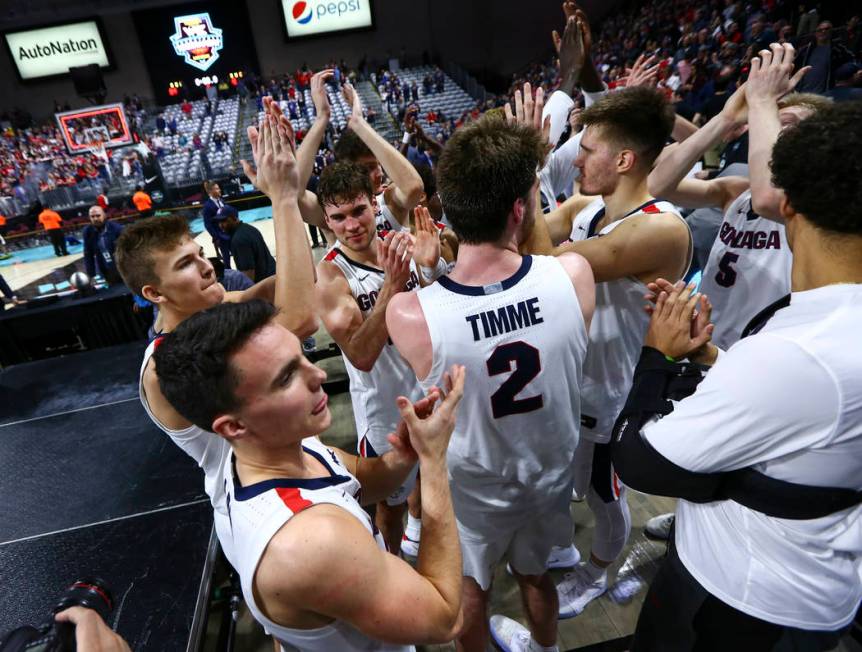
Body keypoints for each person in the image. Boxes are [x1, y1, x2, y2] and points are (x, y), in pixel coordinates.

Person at [611, 99, 862, 651]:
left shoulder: (798, 350)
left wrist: (656, 357)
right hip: (801, 578)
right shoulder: (824, 327)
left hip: (746, 596)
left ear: (790, 197)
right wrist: (711, 362)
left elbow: (638, 460)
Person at [387, 114, 595, 652]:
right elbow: (530, 291)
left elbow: (460, 325)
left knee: (470, 592)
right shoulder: (573, 275)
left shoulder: (410, 312)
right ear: (521, 209)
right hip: (549, 476)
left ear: (448, 210)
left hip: (476, 490)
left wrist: (433, 272)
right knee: (536, 577)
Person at [154, 300, 465, 651]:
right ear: (234, 426)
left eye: (302, 356)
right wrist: (434, 460)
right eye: (287, 377)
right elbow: (445, 618)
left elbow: (361, 476)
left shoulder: (272, 454)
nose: (318, 376)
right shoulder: (311, 541)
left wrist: (405, 456)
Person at [115, 97, 317, 567]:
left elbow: (270, 292)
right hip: (258, 503)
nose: (207, 267)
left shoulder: (211, 310)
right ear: (155, 292)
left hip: (282, 469)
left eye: (201, 253)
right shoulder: (168, 363)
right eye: (186, 264)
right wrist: (283, 198)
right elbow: (298, 321)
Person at [524, 86, 691, 616]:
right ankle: (573, 554)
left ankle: (597, 575)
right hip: (576, 381)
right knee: (570, 480)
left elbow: (549, 265)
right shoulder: (586, 206)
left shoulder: (659, 229)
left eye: (587, 147)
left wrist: (529, 171)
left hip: (618, 391)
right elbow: (522, 237)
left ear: (623, 159)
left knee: (603, 492)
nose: (575, 156)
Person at [314, 160, 448, 554]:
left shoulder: (403, 240)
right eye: (339, 218)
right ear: (326, 221)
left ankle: (419, 527)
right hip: (384, 410)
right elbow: (359, 355)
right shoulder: (331, 275)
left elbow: (442, 309)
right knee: (388, 504)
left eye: (358, 211)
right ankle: (391, 560)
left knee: (430, 476)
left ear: (375, 204)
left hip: (428, 388)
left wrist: (431, 268)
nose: (352, 225)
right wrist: (391, 285)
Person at [215, 205, 275, 283]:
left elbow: (248, 276)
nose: (221, 225)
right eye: (219, 222)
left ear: (234, 218)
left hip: (263, 284)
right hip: (272, 276)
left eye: (224, 221)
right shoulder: (250, 228)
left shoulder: (238, 240)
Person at [796, 21, 856, 92]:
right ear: (815, 33)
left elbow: (854, 61)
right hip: (801, 93)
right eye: (820, 30)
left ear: (831, 31)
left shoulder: (837, 49)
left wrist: (847, 76)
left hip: (825, 95)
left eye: (827, 29)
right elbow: (794, 66)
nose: (823, 31)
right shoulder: (806, 50)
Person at [82, 205, 124, 285]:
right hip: (106, 270)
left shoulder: (117, 229)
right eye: (92, 216)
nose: (95, 219)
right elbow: (88, 254)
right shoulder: (87, 232)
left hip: (122, 268)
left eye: (98, 215)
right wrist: (91, 275)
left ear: (104, 215)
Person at [202, 180, 232, 268]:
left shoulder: (222, 201)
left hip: (230, 233)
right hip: (221, 236)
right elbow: (207, 225)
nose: (220, 190)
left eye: (219, 188)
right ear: (211, 192)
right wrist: (216, 237)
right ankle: (228, 274)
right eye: (217, 189)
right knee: (226, 258)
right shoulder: (207, 206)